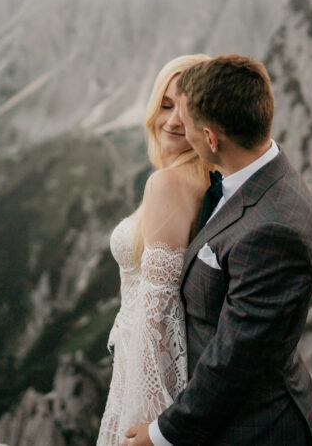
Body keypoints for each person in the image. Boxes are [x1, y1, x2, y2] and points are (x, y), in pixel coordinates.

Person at [125, 54, 312, 446]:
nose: (179, 129)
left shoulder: (272, 231)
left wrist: (163, 433)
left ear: (212, 138)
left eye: (189, 126)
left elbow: (235, 359)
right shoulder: (259, 176)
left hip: (255, 429)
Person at [96, 54, 213, 446]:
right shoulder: (200, 179)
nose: (173, 120)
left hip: (147, 377)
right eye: (165, 105)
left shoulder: (168, 183)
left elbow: (158, 312)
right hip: (146, 364)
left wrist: (152, 420)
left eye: (188, 109)